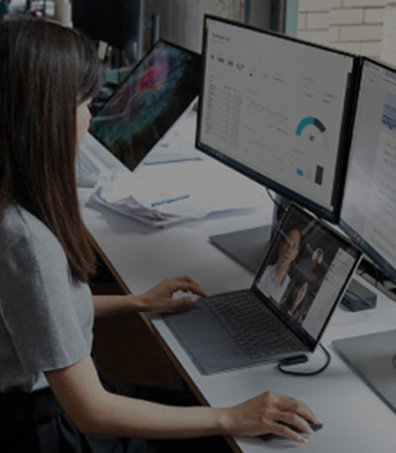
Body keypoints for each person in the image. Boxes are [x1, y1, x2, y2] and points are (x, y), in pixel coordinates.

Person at [0, 18, 320, 452]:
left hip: (52, 395)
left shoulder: (14, 206)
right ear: (45, 118)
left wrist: (136, 302)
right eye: (84, 103)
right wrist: (231, 417)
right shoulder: (25, 238)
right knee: (221, 436)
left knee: (195, 408)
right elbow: (90, 410)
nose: (89, 117)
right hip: (49, 425)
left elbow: (36, 309)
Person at [258, 228, 301, 303]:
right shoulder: (263, 272)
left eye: (293, 246)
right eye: (287, 243)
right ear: (280, 246)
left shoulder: (289, 285)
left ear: (295, 254)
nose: (288, 250)